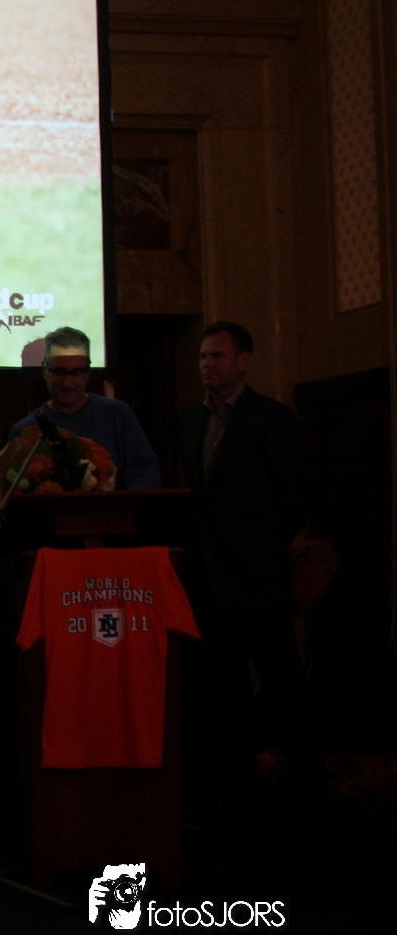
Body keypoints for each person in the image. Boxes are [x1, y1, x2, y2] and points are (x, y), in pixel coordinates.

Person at [178, 321, 314, 816]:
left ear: (243, 361)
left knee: (284, 687)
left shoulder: (271, 418)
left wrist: (262, 545)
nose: (207, 365)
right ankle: (235, 798)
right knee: (224, 694)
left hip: (259, 579)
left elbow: (297, 497)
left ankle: (309, 798)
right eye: (202, 357)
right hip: (209, 581)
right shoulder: (191, 421)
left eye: (217, 356)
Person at [6, 327, 161, 490]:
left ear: (88, 371)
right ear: (45, 370)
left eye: (77, 372)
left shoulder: (118, 415)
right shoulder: (24, 431)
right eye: (59, 372)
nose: (68, 382)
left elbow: (145, 474)